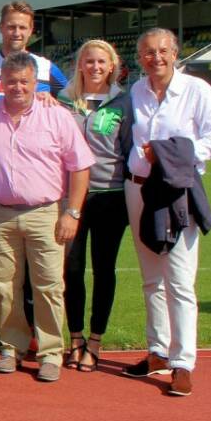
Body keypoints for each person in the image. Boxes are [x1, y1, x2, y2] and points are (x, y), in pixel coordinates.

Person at [121, 28, 211, 396]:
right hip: (137, 188)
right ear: (140, 57)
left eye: (163, 51)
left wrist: (171, 152)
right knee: (151, 278)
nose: (156, 58)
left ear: (175, 52)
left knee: (179, 279)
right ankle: (157, 352)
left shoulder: (197, 90)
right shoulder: (137, 90)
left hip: (175, 191)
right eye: (148, 52)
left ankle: (183, 362)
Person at [0, 52, 93, 382]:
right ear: (1, 82)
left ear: (35, 83)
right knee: (5, 286)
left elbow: (80, 166)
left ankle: (50, 352)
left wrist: (72, 212)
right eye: (11, 81)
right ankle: (10, 347)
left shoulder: (56, 116)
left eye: (24, 82)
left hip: (45, 213)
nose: (17, 87)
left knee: (49, 286)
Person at [0, 0, 68, 341]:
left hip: (30, 172)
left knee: (31, 263)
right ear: (1, 28)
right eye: (11, 26)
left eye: (23, 26)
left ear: (31, 30)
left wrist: (52, 98)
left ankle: (35, 330)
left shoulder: (46, 67)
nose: (17, 32)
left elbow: (63, 95)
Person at [60, 39, 134, 371]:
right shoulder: (63, 101)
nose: (95, 67)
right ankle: (74, 339)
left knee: (104, 270)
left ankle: (95, 342)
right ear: (80, 65)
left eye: (101, 61)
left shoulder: (124, 102)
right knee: (71, 269)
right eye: (89, 61)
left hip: (110, 196)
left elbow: (131, 149)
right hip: (70, 198)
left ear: (112, 65)